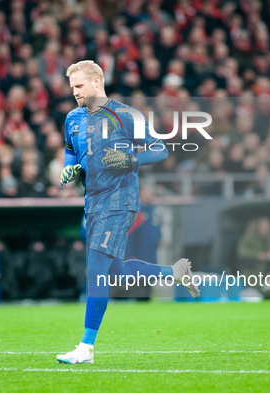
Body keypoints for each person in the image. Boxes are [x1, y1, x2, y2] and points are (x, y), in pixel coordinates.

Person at [56, 60, 199, 365]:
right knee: (115, 273)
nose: (75, 93)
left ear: (97, 82)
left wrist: (128, 158)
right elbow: (70, 149)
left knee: (95, 269)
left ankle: (86, 347)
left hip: (120, 200)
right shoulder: (73, 119)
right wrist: (69, 167)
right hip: (92, 203)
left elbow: (160, 149)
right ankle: (172, 273)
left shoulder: (125, 115)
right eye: (72, 88)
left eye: (79, 86)